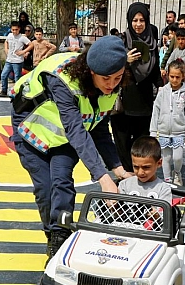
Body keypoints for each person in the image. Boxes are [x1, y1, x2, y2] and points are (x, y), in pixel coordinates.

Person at [10, 35, 130, 259]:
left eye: (118, 78)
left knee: (62, 181)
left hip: (63, 137)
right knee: (46, 189)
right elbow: (76, 130)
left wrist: (118, 168)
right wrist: (103, 179)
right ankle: (52, 235)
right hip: (32, 128)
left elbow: (98, 125)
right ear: (91, 71)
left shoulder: (111, 84)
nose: (112, 85)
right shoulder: (64, 81)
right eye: (106, 79)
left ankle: (60, 236)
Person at [114, 2, 162, 171]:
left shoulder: (152, 41)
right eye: (135, 20)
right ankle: (126, 173)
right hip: (124, 100)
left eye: (142, 20)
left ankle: (140, 172)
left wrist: (162, 88)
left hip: (144, 99)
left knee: (141, 141)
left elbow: (155, 68)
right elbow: (110, 66)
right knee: (122, 139)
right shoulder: (121, 40)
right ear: (129, 21)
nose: (138, 24)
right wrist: (124, 61)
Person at [150, 60, 185, 186]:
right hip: (163, 131)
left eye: (177, 77)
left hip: (179, 131)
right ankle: (167, 179)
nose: (174, 80)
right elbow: (156, 111)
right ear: (167, 75)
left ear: (183, 77)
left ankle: (177, 172)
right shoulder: (162, 92)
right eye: (172, 76)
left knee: (177, 157)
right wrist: (153, 130)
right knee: (166, 157)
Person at [119, 136, 173, 203]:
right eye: (136, 167)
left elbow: (164, 212)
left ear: (159, 163)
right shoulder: (124, 185)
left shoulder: (163, 189)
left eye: (146, 167)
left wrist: (155, 213)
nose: (140, 172)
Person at [0, 21, 32, 97]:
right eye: (13, 29)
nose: (14, 31)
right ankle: (4, 90)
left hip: (18, 61)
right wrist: (6, 49)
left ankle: (17, 92)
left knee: (17, 77)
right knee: (3, 75)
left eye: (16, 29)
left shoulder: (22, 37)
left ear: (19, 29)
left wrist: (23, 52)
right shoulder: (10, 35)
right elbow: (6, 42)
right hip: (9, 60)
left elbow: (31, 45)